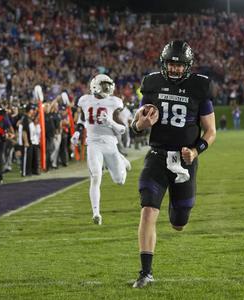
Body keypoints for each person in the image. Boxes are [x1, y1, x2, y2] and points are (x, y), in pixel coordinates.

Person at [130, 40, 216, 288]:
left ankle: (175, 210)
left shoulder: (200, 86)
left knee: (179, 222)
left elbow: (210, 131)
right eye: (171, 64)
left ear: (187, 66)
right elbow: (137, 125)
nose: (175, 69)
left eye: (179, 65)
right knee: (147, 209)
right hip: (157, 156)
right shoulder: (152, 82)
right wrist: (140, 126)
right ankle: (145, 273)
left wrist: (196, 151)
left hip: (184, 161)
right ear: (163, 63)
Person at [72, 74, 129, 225]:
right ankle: (96, 213)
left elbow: (123, 129)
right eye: (104, 85)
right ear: (95, 85)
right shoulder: (85, 100)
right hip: (93, 143)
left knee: (120, 181)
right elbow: (82, 119)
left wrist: (110, 122)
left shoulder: (114, 102)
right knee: (96, 176)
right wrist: (77, 132)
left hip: (110, 144)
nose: (108, 88)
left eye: (108, 85)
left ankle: (121, 159)